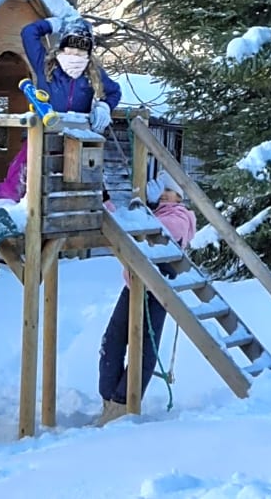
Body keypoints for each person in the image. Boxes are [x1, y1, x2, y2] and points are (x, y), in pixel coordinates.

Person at [95, 173, 196, 426]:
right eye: (161, 191)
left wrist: (145, 208)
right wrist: (105, 200)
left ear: (179, 197)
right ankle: (109, 402)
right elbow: (125, 225)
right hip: (134, 285)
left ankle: (122, 405)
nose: (163, 196)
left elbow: (163, 232)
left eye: (168, 192)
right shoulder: (154, 213)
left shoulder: (180, 216)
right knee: (112, 340)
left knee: (144, 349)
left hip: (156, 289)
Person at [0, 16, 121, 201]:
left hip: (76, 137)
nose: (75, 54)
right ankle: (3, 205)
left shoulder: (92, 73)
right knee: (20, 176)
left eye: (82, 49)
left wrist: (104, 106)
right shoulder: (45, 65)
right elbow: (28, 33)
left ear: (88, 53)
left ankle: (97, 207)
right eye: (71, 47)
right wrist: (53, 24)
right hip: (42, 134)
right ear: (62, 46)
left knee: (82, 178)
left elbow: (114, 91)